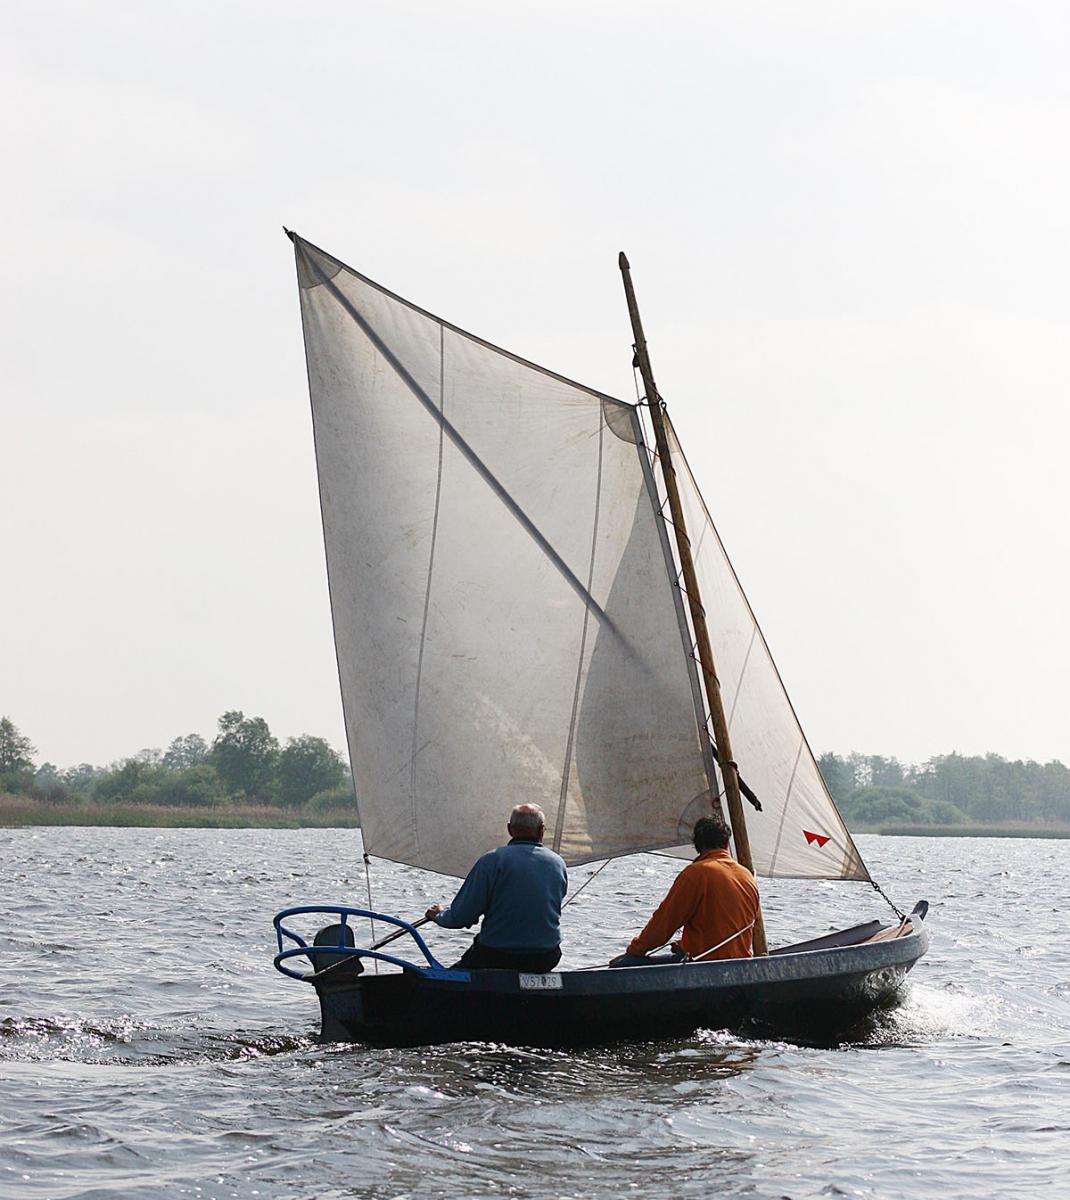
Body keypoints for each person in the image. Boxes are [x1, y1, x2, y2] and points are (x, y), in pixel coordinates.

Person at [425, 802, 567, 972]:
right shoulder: (557, 863)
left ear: (510, 829)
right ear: (542, 830)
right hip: (545, 957)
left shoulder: (492, 861)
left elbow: (461, 917)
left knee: (453, 976)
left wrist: (439, 915)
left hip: (497, 956)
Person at [612, 815, 760, 967]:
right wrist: (685, 944)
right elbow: (724, 926)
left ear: (696, 844)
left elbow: (663, 925)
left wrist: (635, 950)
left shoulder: (696, 874)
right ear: (727, 843)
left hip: (704, 966)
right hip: (741, 963)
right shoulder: (746, 875)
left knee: (619, 965)